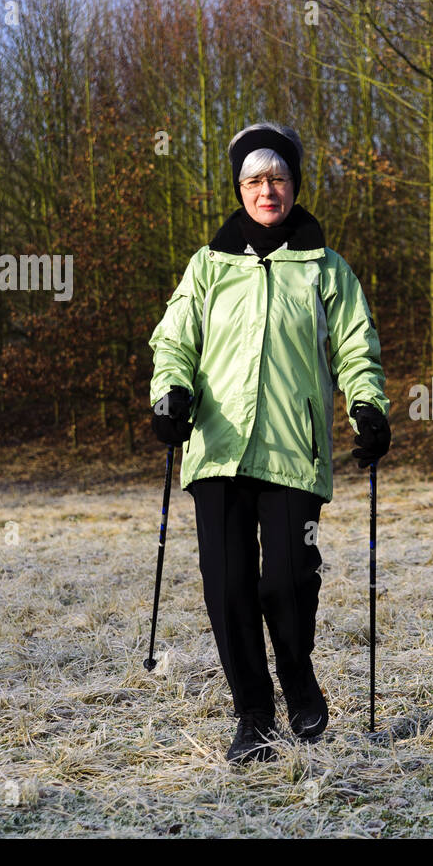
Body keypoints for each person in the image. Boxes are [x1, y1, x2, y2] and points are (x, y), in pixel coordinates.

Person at [147, 122, 391, 765]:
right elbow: (173, 342)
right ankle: (253, 714)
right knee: (227, 587)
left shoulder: (325, 269)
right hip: (217, 448)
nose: (267, 189)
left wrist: (367, 405)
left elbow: (356, 348)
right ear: (239, 189)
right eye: (254, 179)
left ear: (294, 186)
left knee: (287, 579)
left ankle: (298, 676)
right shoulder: (208, 265)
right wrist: (169, 394)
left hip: (292, 448)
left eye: (277, 177)